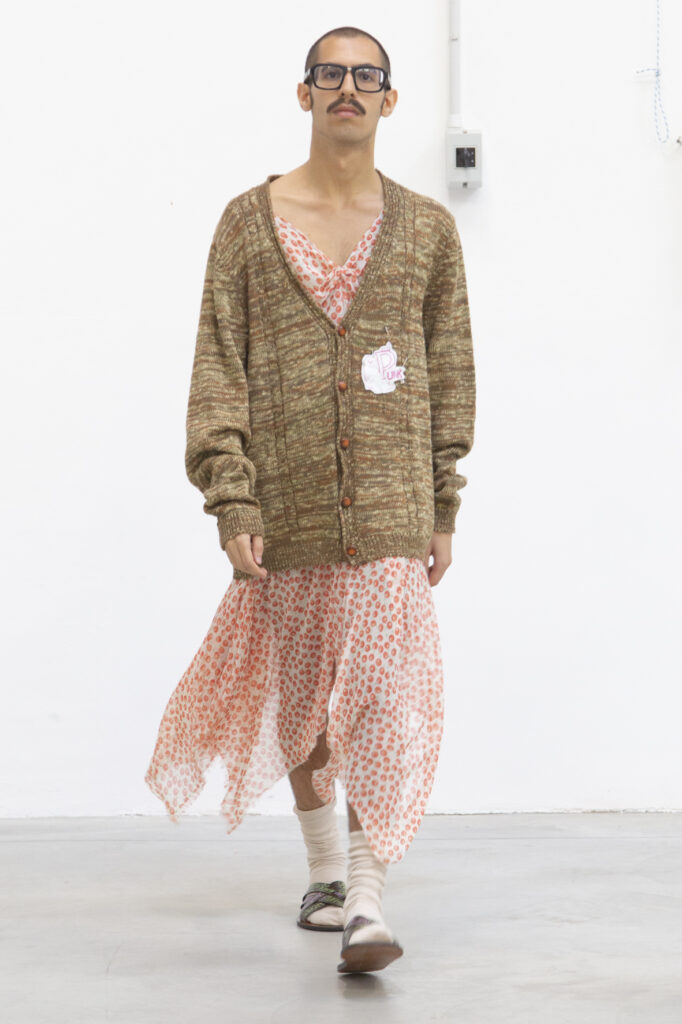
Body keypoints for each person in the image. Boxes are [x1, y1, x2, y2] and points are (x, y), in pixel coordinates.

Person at [144, 24, 476, 975]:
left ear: (390, 100)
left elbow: (450, 370)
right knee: (303, 706)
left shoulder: (428, 230)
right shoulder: (247, 224)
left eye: (366, 76)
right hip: (284, 505)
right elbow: (219, 369)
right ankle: (326, 871)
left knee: (381, 696)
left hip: (392, 504)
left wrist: (443, 502)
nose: (347, 88)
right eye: (330, 74)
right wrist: (233, 500)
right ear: (304, 94)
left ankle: (368, 898)